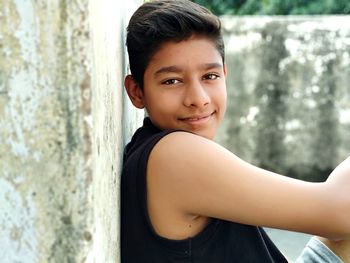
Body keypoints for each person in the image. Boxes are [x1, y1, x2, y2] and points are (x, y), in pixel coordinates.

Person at [121, 0, 350, 262]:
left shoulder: (155, 148)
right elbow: (342, 213)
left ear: (225, 75)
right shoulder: (173, 156)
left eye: (210, 76)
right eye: (172, 81)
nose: (199, 98)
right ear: (136, 91)